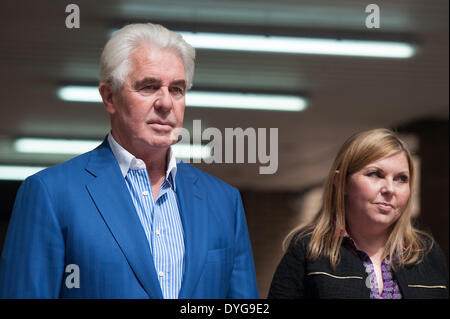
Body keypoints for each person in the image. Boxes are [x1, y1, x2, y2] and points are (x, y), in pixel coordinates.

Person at [0, 23, 258, 299]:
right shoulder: (50, 194)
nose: (166, 103)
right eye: (149, 87)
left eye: (177, 89)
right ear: (109, 97)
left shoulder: (223, 201)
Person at [269, 128, 448, 299]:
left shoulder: (426, 252)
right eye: (375, 174)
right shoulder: (308, 249)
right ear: (341, 182)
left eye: (401, 179)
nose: (390, 189)